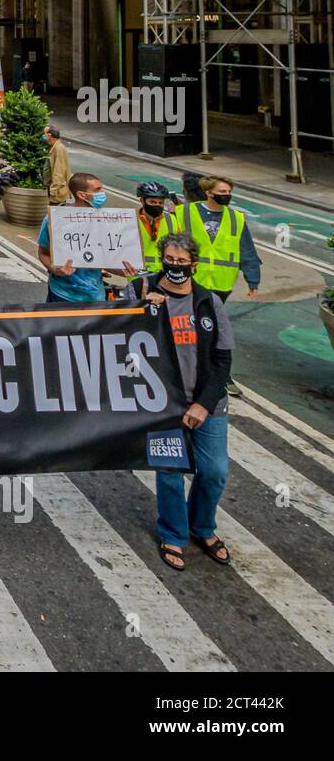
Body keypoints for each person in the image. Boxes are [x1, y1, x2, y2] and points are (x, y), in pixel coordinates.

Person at [123, 234, 234, 573]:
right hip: (162, 405)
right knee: (170, 473)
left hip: (206, 404)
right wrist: (144, 310)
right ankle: (173, 534)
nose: (175, 266)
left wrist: (203, 404)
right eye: (169, 258)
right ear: (161, 258)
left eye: (182, 261)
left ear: (193, 265)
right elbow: (117, 334)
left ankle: (203, 527)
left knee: (214, 471)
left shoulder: (209, 303)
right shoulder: (142, 290)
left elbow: (222, 360)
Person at [37, 173, 138, 302]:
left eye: (102, 189)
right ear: (82, 195)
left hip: (95, 296)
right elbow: (43, 253)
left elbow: (100, 260)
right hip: (62, 295)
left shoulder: (107, 221)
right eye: (97, 190)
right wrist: (56, 270)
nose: (103, 193)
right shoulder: (55, 220)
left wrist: (122, 270)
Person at [175, 175, 261, 303]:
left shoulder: (236, 219)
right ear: (209, 193)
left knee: (212, 319)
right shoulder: (184, 212)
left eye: (229, 192)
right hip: (191, 279)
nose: (227, 195)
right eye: (222, 192)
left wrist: (253, 281)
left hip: (221, 284)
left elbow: (247, 250)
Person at [133, 181, 180, 277]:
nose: (157, 205)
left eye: (160, 203)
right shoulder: (131, 219)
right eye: (153, 202)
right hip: (137, 277)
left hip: (164, 277)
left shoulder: (171, 220)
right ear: (142, 200)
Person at [44, 125, 71, 205]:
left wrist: (54, 189)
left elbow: (59, 172)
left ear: (49, 135)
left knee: (54, 214)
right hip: (55, 190)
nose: (43, 136)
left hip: (57, 192)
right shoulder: (55, 147)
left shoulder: (59, 148)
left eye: (44, 134)